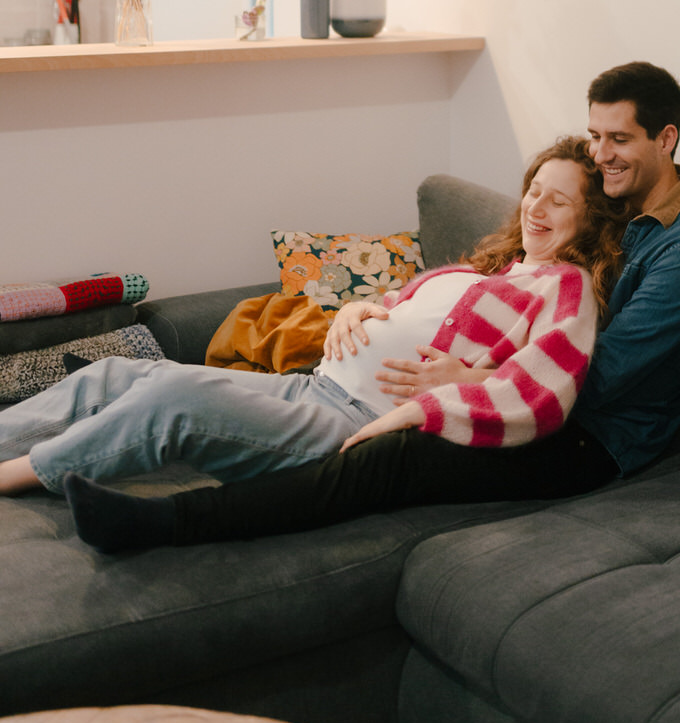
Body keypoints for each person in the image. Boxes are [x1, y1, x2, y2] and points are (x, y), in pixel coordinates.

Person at [62, 61, 680, 553]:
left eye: (620, 140)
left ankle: (164, 524)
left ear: (666, 140)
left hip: (591, 439)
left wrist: (471, 386)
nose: (601, 153)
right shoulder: (615, 205)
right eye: (595, 135)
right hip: (534, 394)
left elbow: (600, 377)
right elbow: (510, 279)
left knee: (392, 458)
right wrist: (370, 311)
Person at [0, 137, 623, 506]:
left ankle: (16, 477)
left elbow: (543, 398)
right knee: (116, 374)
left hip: (349, 422)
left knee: (175, 393)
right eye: (533, 189)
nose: (536, 206)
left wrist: (452, 392)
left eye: (558, 199)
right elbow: (399, 305)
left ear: (588, 219)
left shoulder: (562, 288)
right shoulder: (495, 270)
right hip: (311, 385)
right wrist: (358, 307)